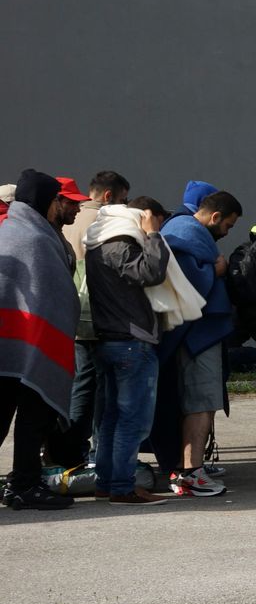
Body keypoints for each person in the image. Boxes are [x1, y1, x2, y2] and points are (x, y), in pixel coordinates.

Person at [0, 170, 81, 510]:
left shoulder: (11, 229)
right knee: (33, 420)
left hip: (11, 345)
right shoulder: (34, 238)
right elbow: (53, 296)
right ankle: (24, 485)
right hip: (28, 347)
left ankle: (21, 483)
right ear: (45, 202)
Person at [84, 198, 171, 505]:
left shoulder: (95, 245)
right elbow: (151, 273)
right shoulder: (120, 246)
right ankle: (122, 486)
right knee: (132, 420)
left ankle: (107, 483)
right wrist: (152, 236)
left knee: (110, 418)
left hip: (108, 339)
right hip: (132, 341)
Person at [158, 186, 241, 496]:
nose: (227, 233)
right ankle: (191, 473)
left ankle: (187, 469)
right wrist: (216, 269)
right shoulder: (186, 231)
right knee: (201, 403)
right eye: (228, 225)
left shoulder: (180, 228)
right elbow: (185, 279)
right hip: (197, 336)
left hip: (191, 334)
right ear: (215, 216)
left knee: (195, 402)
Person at [48, 171, 128, 467]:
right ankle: (81, 451)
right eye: (123, 198)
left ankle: (69, 448)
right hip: (93, 315)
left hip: (69, 316)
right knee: (94, 387)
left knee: (79, 383)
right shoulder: (105, 221)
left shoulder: (56, 226)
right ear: (109, 196)